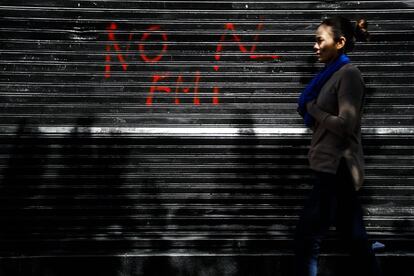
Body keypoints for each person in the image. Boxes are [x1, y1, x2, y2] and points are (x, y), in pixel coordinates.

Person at [295, 15, 382, 276]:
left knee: (306, 238)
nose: (315, 46)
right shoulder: (330, 75)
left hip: (337, 166)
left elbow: (345, 125)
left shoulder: (349, 75)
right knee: (354, 239)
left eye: (320, 40)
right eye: (315, 41)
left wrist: (314, 109)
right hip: (331, 165)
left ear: (340, 42)